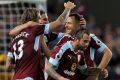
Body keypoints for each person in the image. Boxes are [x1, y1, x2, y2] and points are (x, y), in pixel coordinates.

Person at [7, 1, 76, 80]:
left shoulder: (15, 37)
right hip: (29, 76)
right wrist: (67, 9)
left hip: (17, 77)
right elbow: (60, 22)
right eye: (39, 17)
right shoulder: (35, 29)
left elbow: (8, 65)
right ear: (34, 19)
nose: (41, 21)